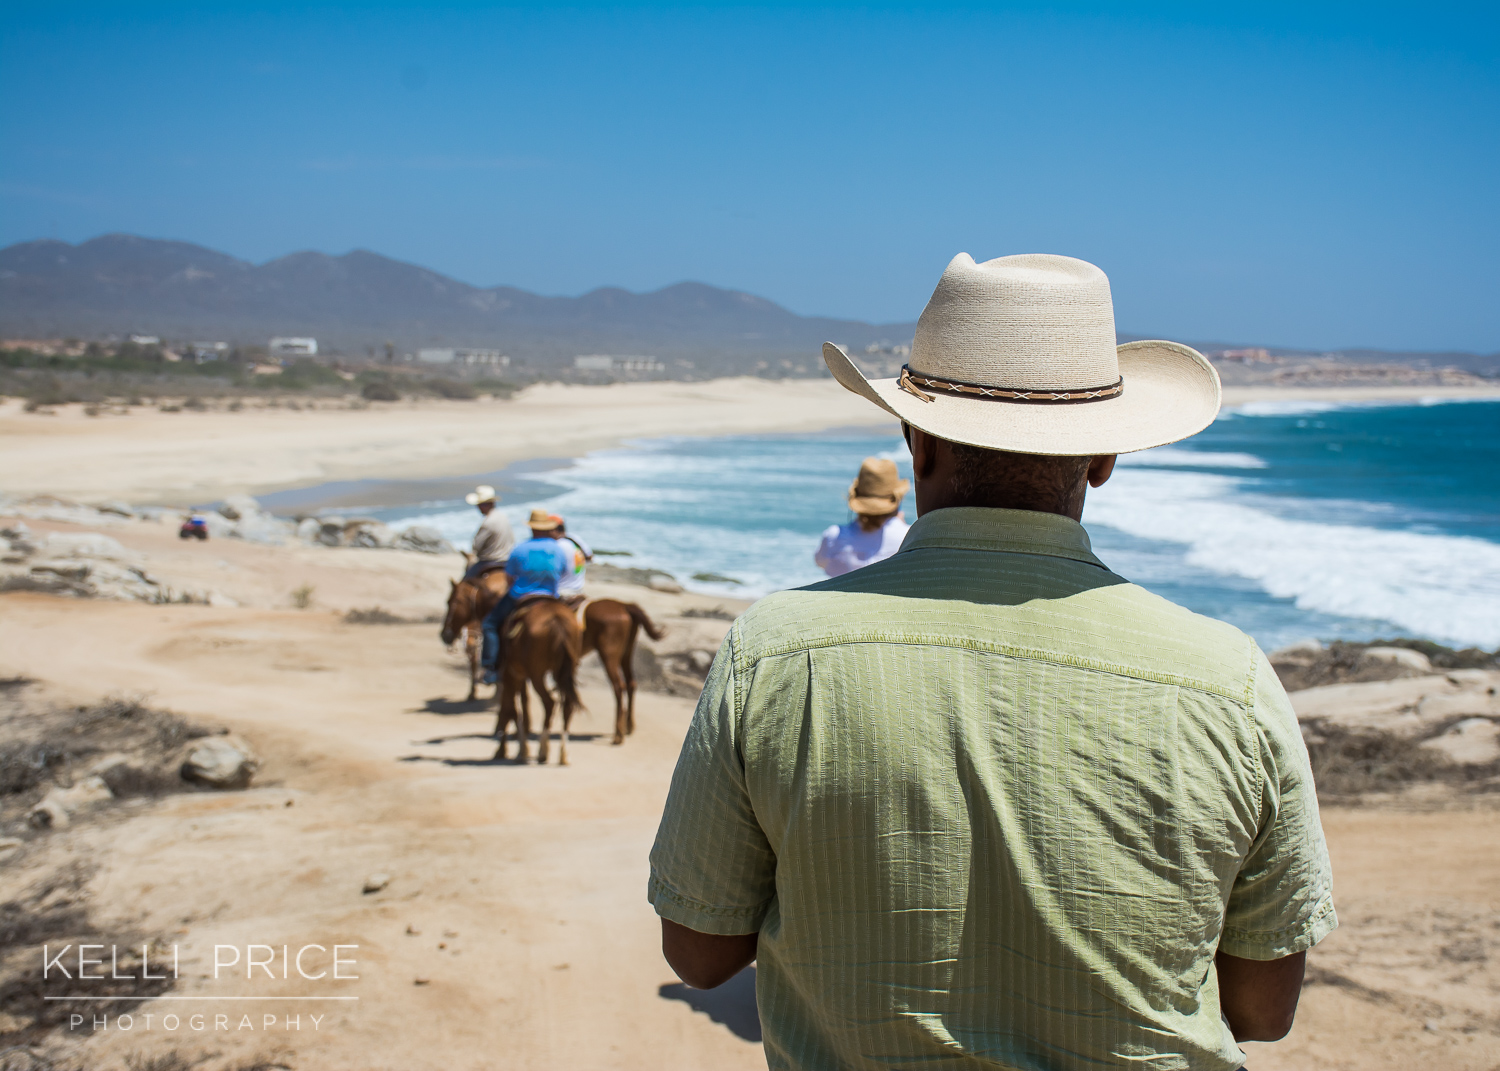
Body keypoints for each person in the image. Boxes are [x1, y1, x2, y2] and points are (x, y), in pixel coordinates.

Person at [649, 253, 1334, 1070]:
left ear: (917, 441)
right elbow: (1262, 1008)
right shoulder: (1232, 681)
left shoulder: (774, 650)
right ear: (1104, 459)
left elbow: (700, 953)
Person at [479, 508, 574, 684]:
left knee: (490, 624)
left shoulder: (520, 548)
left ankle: (490, 667)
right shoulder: (558, 549)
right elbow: (563, 573)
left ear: (531, 528)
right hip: (550, 596)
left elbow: (509, 578)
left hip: (522, 597)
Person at [814, 457, 910, 577]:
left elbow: (820, 562)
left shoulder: (834, 537)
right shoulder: (909, 537)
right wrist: (902, 526)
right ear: (897, 500)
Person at [464, 484, 515, 581]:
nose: (478, 507)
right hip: (507, 560)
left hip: (489, 561)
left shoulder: (488, 522)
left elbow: (476, 546)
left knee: (465, 583)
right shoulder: (503, 517)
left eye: (480, 505)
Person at [554, 516, 593, 608]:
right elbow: (590, 557)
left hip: (561, 591)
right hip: (578, 589)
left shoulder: (557, 544)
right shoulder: (573, 538)